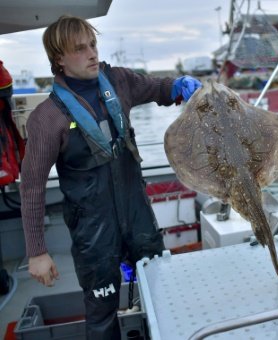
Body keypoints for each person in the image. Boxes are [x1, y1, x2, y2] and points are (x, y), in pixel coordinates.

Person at [19, 15, 202, 339]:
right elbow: (32, 188)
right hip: (93, 231)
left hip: (138, 215)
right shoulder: (46, 119)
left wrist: (177, 85)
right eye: (80, 49)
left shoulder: (118, 80)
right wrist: (37, 252)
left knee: (163, 294)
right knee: (102, 315)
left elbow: (156, 87)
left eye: (93, 44)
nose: (92, 54)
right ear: (58, 59)